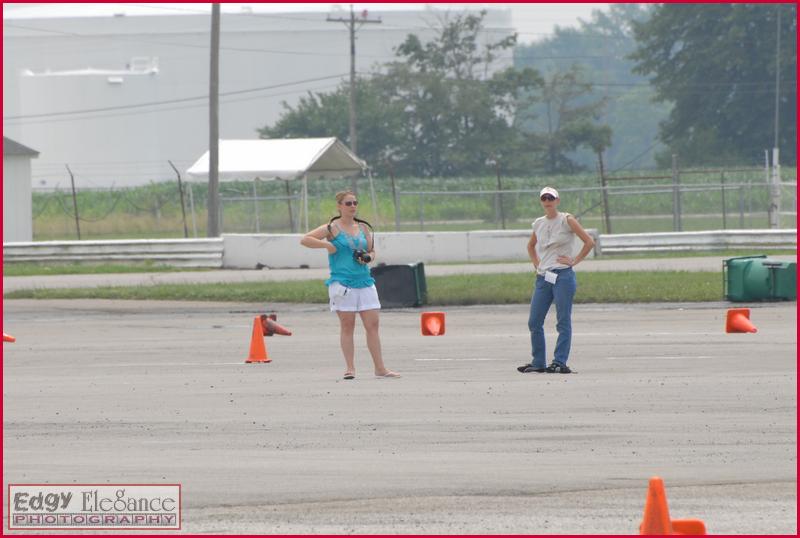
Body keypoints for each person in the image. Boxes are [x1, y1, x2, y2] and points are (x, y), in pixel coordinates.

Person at [300, 191, 400, 380]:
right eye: (348, 203)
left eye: (355, 203)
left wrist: (369, 257)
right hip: (342, 282)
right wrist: (327, 246)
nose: (352, 206)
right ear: (339, 206)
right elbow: (305, 239)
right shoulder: (332, 228)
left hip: (364, 281)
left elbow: (371, 250)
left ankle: (380, 368)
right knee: (348, 325)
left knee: (372, 324)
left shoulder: (363, 227)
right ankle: (350, 368)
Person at [517, 186, 595, 374]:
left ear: (557, 201)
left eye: (551, 198)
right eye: (544, 198)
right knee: (534, 321)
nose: (547, 201)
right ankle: (538, 362)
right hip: (544, 277)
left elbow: (589, 242)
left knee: (562, 320)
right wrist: (537, 264)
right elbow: (531, 246)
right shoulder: (538, 223)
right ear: (541, 202)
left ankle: (559, 361)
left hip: (562, 276)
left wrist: (574, 260)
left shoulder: (566, 220)